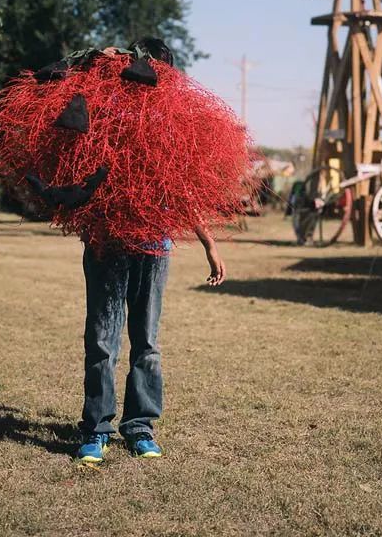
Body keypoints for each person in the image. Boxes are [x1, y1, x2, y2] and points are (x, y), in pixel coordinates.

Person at [75, 37, 227, 464]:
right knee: (103, 340)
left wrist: (209, 243)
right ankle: (96, 429)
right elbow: (78, 83)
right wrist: (103, 59)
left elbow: (183, 189)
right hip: (106, 241)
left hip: (154, 246)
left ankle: (139, 425)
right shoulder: (106, 113)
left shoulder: (170, 125)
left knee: (147, 341)